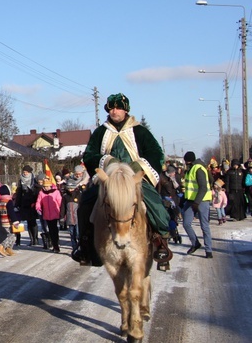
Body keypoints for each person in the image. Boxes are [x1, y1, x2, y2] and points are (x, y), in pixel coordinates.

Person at [71, 93, 173, 270]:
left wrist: (137, 167)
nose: (114, 111)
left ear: (126, 110)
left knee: (155, 205)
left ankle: (160, 242)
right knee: (86, 204)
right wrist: (106, 161)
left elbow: (155, 154)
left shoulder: (139, 131)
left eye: (117, 108)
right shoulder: (101, 132)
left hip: (134, 179)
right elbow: (89, 155)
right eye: (111, 108)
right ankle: (86, 246)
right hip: (108, 180)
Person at [182, 151, 213, 258]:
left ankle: (208, 250)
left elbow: (203, 187)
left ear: (188, 161)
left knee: (204, 226)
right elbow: (189, 188)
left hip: (202, 201)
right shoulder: (189, 170)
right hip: (191, 201)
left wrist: (197, 202)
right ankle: (195, 243)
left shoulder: (198, 169)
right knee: (186, 223)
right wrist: (184, 200)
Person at [14, 165, 40, 246]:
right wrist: (17, 204)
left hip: (33, 202)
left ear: (30, 172)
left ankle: (36, 239)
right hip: (24, 203)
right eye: (24, 172)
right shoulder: (21, 180)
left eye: (26, 172)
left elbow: (37, 190)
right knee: (29, 221)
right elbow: (19, 192)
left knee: (33, 221)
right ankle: (31, 239)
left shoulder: (34, 180)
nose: (24, 173)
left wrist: (36, 202)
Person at [36, 176, 62, 252]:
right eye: (44, 186)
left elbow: (59, 202)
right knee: (50, 230)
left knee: (54, 230)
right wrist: (38, 208)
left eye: (47, 186)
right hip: (47, 214)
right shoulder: (41, 193)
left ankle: (56, 245)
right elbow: (38, 201)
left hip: (55, 213)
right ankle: (54, 245)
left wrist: (61, 211)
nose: (46, 188)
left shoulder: (56, 192)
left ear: (50, 186)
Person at [62, 173, 83, 252]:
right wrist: (61, 217)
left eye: (72, 188)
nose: (70, 190)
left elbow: (82, 206)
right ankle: (74, 248)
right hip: (70, 218)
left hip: (78, 218)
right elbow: (62, 207)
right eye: (69, 188)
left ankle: (80, 247)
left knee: (78, 234)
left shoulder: (79, 195)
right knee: (72, 234)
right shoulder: (65, 196)